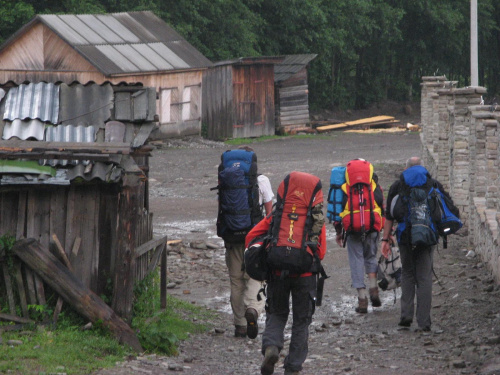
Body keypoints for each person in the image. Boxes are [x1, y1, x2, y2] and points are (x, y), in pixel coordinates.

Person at [245, 171, 326, 375]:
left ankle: (272, 347)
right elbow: (321, 252)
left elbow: (251, 236)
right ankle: (293, 367)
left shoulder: (277, 215)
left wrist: (262, 253)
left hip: (277, 271)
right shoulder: (315, 219)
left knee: (277, 313)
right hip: (305, 276)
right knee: (301, 321)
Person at [381, 156, 458, 332]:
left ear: (406, 168)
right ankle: (424, 322)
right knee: (424, 277)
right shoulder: (433, 184)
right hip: (427, 237)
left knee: (407, 274)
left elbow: (390, 216)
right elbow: (443, 210)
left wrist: (385, 240)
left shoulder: (397, 186)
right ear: (422, 168)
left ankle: (406, 317)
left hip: (405, 236)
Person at [224, 146, 274, 339]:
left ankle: (240, 325)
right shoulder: (262, 180)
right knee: (256, 275)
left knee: (236, 281)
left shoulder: (227, 179)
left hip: (233, 237)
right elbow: (269, 212)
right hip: (255, 237)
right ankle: (253, 308)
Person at [334, 159, 385, 313]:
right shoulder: (374, 186)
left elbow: (338, 212)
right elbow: (382, 206)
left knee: (356, 260)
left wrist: (338, 232)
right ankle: (374, 289)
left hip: (352, 230)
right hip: (372, 228)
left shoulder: (344, 188)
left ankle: (362, 300)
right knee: (370, 257)